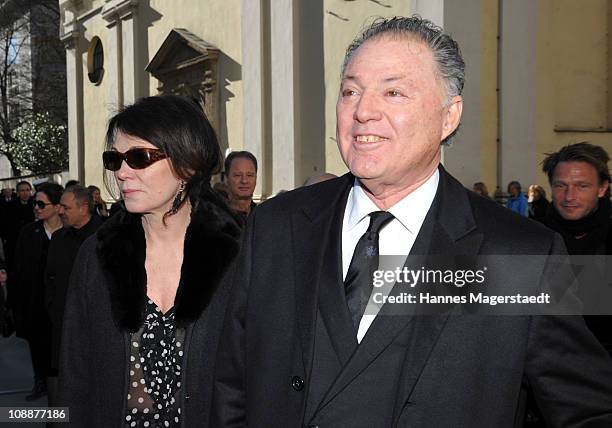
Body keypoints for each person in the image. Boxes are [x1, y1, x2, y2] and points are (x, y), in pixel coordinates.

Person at [213, 16, 612, 427]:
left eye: (394, 92)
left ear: (448, 116)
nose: (363, 111)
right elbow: (232, 387)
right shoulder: (279, 227)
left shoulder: (521, 255)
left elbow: (588, 411)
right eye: (350, 91)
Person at [58, 95, 241, 427]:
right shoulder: (97, 256)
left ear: (188, 163)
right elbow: (76, 376)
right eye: (115, 159)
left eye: (139, 157)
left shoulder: (238, 257)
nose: (122, 173)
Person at [44, 185, 102, 404]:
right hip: (61, 327)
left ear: (84, 208)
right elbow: (49, 279)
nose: (60, 211)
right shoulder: (58, 238)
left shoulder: (106, 237)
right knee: (62, 399)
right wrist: (53, 309)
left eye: (66, 207)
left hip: (96, 333)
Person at [11, 182, 64, 401]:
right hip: (35, 302)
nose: (37, 208)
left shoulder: (69, 233)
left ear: (56, 206)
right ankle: (40, 381)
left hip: (61, 304)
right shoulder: (28, 233)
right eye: (35, 203)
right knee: (38, 345)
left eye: (42, 204)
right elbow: (19, 270)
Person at [224, 150, 257, 222]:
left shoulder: (264, 217)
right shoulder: (214, 219)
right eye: (237, 175)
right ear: (226, 179)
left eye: (249, 175)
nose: (244, 181)